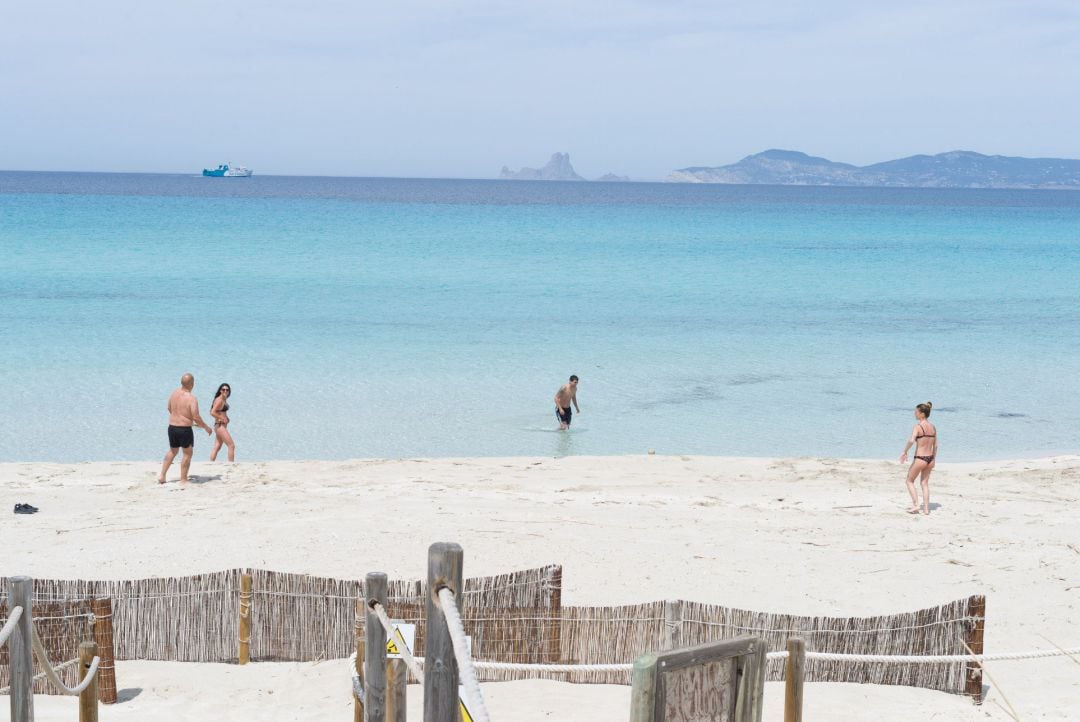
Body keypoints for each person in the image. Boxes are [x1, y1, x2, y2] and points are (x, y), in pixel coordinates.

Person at [157, 373, 212, 486]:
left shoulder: (174, 393)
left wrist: (178, 417)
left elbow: (169, 408)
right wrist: (206, 427)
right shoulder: (191, 398)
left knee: (173, 451)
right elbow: (196, 416)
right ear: (192, 384)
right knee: (187, 454)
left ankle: (162, 475)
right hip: (184, 430)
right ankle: (183, 479)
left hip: (172, 427)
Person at [899, 401, 937, 515]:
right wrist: (933, 458)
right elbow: (936, 445)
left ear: (922, 414)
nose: (914, 414)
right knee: (924, 484)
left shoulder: (918, 426)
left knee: (909, 481)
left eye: (916, 412)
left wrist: (905, 451)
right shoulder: (933, 427)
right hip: (930, 458)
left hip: (920, 458)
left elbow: (911, 440)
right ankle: (926, 509)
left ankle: (916, 505)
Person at [209, 383, 235, 462]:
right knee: (231, 445)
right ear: (220, 391)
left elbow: (220, 411)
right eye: (223, 389)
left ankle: (211, 463)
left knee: (217, 446)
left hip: (220, 426)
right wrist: (222, 418)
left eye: (227, 390)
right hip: (220, 426)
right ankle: (231, 465)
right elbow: (212, 412)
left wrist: (226, 418)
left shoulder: (223, 399)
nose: (225, 391)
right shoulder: (219, 400)